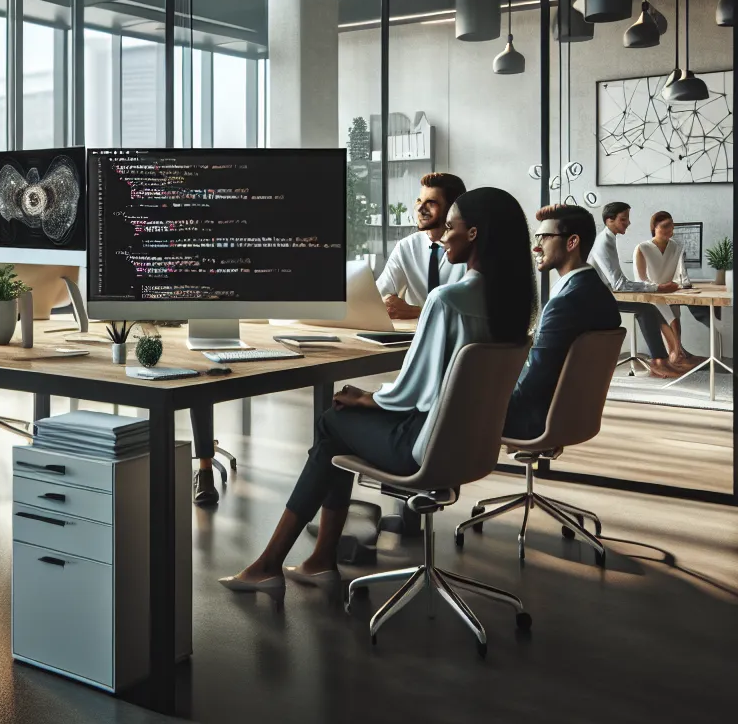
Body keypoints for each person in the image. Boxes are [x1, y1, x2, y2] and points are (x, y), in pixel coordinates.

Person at [219, 187, 535, 594]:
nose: (442, 237)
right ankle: (314, 561)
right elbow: (447, 386)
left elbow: (414, 389)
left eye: (451, 227)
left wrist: (367, 397)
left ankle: (274, 563)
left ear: (473, 234)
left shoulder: (447, 300)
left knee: (333, 422)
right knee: (337, 430)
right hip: (472, 446)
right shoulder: (514, 303)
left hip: (424, 446)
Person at [505, 204, 623, 439]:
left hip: (534, 420)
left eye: (544, 237)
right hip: (574, 417)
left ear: (572, 242)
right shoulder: (598, 293)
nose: (535, 246)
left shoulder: (564, 304)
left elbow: (533, 384)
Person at [592, 202, 686, 377]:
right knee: (647, 309)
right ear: (609, 220)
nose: (628, 223)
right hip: (597, 298)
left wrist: (656, 287)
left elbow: (617, 283)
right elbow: (619, 284)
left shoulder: (609, 239)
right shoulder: (604, 242)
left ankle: (666, 359)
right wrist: (657, 287)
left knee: (650, 308)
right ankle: (660, 361)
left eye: (627, 218)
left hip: (605, 293)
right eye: (623, 219)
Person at [375, 172, 468, 321]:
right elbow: (379, 295)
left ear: (452, 208)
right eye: (419, 201)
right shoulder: (406, 247)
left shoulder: (469, 250)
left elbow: (469, 312)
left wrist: (417, 312)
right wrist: (386, 303)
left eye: (431, 203)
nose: (420, 209)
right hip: (413, 337)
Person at [634, 210, 707, 367]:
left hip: (669, 293)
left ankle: (676, 353)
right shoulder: (642, 248)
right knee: (672, 320)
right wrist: (659, 287)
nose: (670, 230)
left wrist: (682, 285)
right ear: (654, 227)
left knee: (675, 316)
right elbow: (640, 279)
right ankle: (675, 354)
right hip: (651, 295)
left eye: (672, 226)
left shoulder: (676, 247)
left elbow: (680, 273)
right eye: (665, 226)